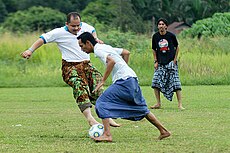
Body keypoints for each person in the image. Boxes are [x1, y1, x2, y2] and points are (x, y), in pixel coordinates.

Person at [20, 12, 120, 127]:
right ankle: (90, 119)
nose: (77, 28)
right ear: (67, 24)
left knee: (98, 87)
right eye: (73, 26)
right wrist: (30, 50)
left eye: (78, 25)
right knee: (79, 86)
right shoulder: (58, 32)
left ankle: (107, 117)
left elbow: (92, 31)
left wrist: (96, 39)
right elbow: (42, 39)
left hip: (87, 65)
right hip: (70, 67)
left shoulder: (86, 27)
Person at [77, 32, 171, 142]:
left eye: (81, 46)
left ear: (88, 43)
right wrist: (124, 68)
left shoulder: (98, 49)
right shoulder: (106, 47)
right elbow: (126, 53)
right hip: (132, 78)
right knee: (142, 109)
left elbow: (111, 61)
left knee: (101, 103)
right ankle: (164, 131)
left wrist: (102, 81)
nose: (81, 49)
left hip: (124, 81)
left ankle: (107, 135)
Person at [150, 18, 185, 110]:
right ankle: (158, 103)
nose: (161, 26)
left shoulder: (171, 36)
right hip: (160, 63)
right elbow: (154, 49)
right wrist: (156, 61)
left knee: (176, 83)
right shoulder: (155, 37)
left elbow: (177, 47)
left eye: (163, 24)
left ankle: (180, 104)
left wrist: (174, 60)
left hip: (170, 62)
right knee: (155, 82)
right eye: (159, 24)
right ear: (158, 26)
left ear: (166, 26)